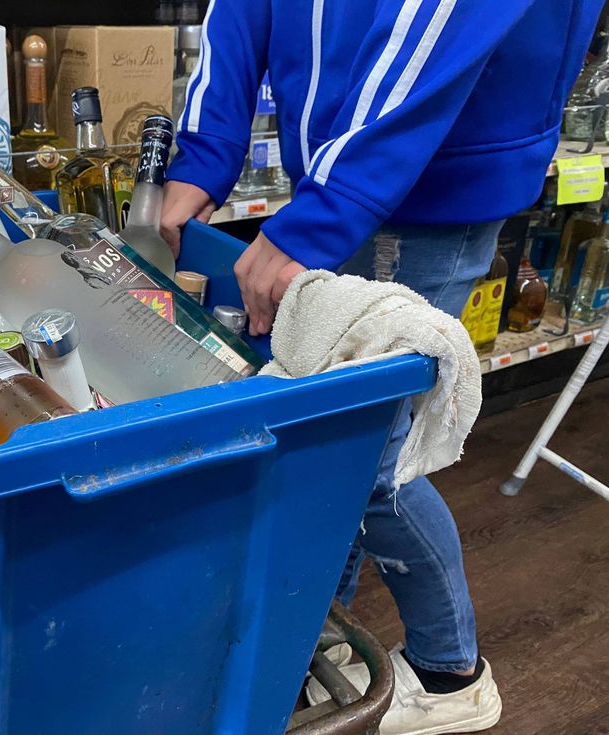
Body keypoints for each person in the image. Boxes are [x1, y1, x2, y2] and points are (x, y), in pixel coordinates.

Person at [161, 2, 603, 733]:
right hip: (344, 176)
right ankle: (308, 643)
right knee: (327, 449)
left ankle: (447, 672)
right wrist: (207, 148)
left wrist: (326, 206)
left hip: (424, 185)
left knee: (367, 464)